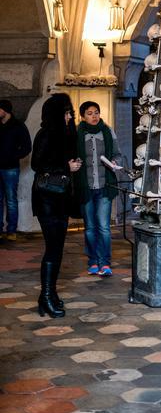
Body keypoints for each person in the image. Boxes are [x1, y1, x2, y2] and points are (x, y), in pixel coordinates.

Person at [31, 93, 82, 318]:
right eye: (67, 112)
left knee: (57, 250)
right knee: (52, 250)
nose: (70, 116)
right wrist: (65, 167)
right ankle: (46, 296)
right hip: (47, 200)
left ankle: (48, 296)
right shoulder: (46, 134)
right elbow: (37, 164)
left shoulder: (65, 135)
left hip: (60, 199)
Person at [74, 101, 123, 277]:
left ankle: (105, 263)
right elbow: (71, 157)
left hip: (104, 186)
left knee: (103, 227)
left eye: (96, 112)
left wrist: (116, 162)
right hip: (85, 186)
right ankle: (93, 261)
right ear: (82, 116)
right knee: (89, 227)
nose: (94, 116)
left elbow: (117, 153)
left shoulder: (107, 131)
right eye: (89, 113)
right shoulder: (76, 133)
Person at [0, 98, 32, 240]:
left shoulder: (18, 126)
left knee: (11, 199)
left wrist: (13, 157)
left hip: (11, 169)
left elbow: (27, 147)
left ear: (5, 110)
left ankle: (11, 230)